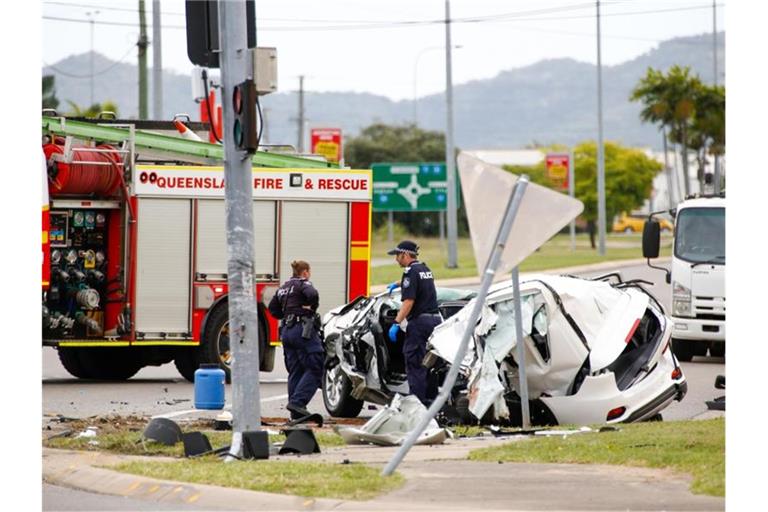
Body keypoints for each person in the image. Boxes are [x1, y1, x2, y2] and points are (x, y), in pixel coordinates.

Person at [386, 240, 440, 406]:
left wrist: (396, 322)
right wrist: (397, 284)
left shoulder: (410, 272)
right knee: (429, 364)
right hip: (435, 321)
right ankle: (431, 404)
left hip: (419, 324)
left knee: (414, 364)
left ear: (405, 254)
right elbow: (419, 285)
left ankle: (416, 406)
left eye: (397, 255)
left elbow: (409, 301)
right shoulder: (425, 269)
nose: (396, 259)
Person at [268, 260, 323, 420]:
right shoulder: (303, 283)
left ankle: (295, 412)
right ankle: (298, 403)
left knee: (296, 369)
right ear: (305, 272)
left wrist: (286, 315)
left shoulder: (283, 287)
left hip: (287, 331)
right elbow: (313, 294)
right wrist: (311, 308)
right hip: (302, 330)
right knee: (315, 366)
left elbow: (272, 308)